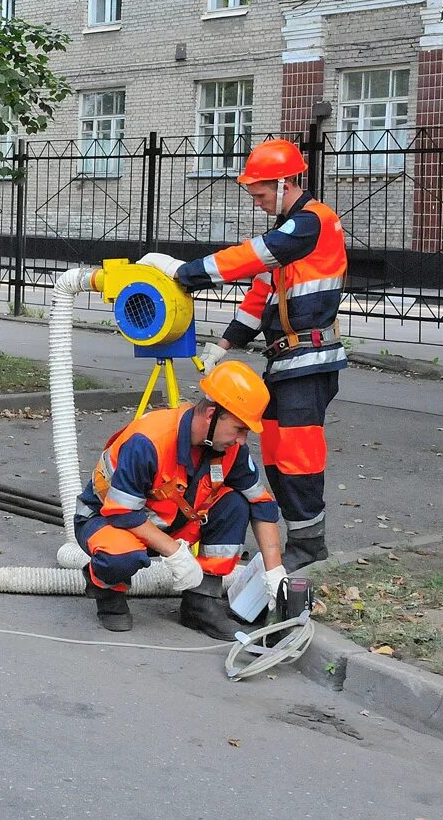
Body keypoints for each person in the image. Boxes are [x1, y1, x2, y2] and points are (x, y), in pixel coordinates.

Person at [139, 138, 347, 570]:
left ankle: (309, 547)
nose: (257, 203)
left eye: (260, 194)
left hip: (308, 360)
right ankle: (298, 544)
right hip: (289, 361)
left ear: (285, 182)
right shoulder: (292, 235)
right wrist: (226, 344)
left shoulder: (310, 223)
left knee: (296, 458)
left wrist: (186, 273)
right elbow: (260, 298)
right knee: (275, 455)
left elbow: (251, 258)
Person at [75, 361, 287, 637]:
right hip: (107, 521)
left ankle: (201, 602)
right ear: (212, 414)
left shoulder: (229, 450)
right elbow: (122, 511)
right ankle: (106, 589)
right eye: (239, 429)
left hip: (169, 523)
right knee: (121, 556)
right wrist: (175, 553)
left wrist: (275, 574)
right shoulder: (149, 440)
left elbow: (262, 504)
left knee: (235, 503)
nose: (242, 441)